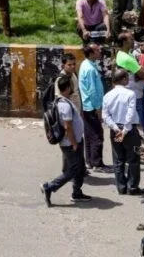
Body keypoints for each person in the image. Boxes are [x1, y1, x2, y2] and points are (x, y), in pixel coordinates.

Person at [41, 75, 91, 206]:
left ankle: (77, 193)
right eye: (72, 85)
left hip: (75, 141)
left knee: (80, 167)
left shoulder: (64, 101)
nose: (74, 87)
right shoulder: (64, 105)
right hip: (70, 143)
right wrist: (74, 143)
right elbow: (67, 127)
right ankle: (49, 187)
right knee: (74, 169)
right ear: (68, 87)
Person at [102, 68, 142, 195]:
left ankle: (121, 186)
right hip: (129, 130)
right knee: (133, 159)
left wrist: (115, 128)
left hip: (116, 129)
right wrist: (124, 130)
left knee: (118, 159)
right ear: (124, 79)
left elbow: (105, 116)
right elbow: (130, 114)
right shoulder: (130, 94)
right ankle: (132, 187)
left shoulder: (107, 96)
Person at [78, 44, 107, 170]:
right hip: (91, 106)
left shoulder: (88, 64)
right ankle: (96, 163)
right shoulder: (89, 69)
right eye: (97, 50)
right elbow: (92, 90)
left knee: (89, 134)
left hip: (87, 105)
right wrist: (98, 108)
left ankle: (90, 161)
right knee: (97, 135)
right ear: (91, 54)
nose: (100, 51)